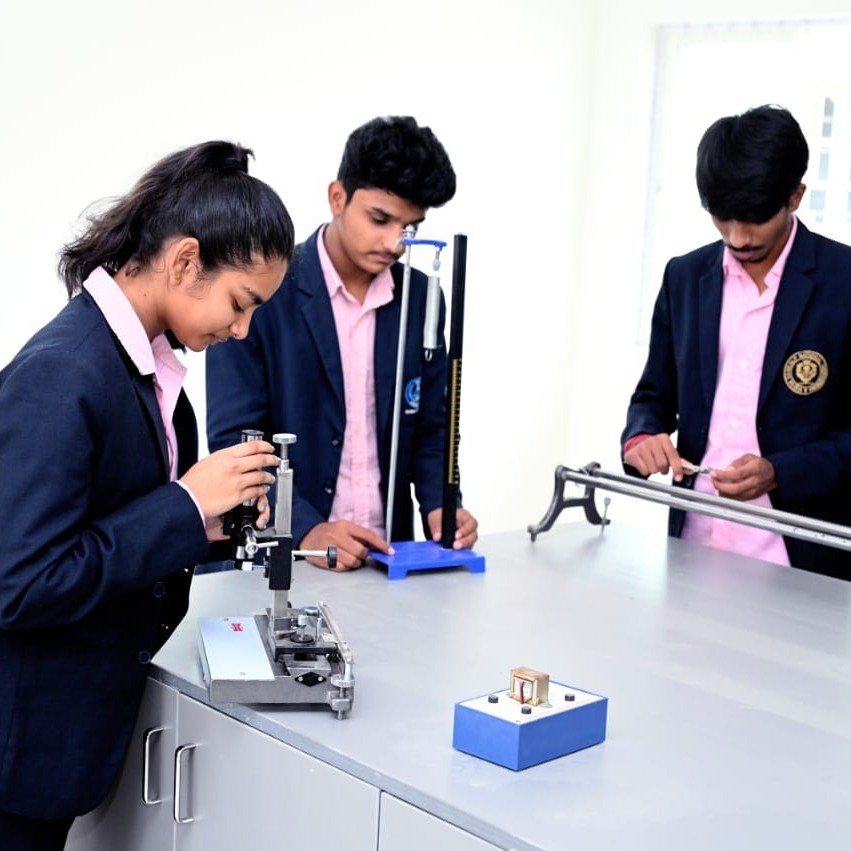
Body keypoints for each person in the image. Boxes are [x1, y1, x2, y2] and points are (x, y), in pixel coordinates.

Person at [0, 141, 294, 848]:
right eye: (241, 303)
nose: (242, 330)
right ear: (186, 261)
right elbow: (20, 581)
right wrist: (184, 505)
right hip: (20, 757)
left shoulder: (150, 372)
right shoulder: (65, 372)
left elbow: (108, 520)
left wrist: (206, 522)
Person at [206, 116, 478, 571]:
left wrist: (441, 507)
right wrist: (307, 529)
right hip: (286, 560)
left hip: (387, 560)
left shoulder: (422, 298)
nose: (395, 243)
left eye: (410, 227)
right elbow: (235, 439)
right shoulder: (264, 290)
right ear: (337, 198)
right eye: (380, 219)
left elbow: (432, 427)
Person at [622, 104, 851, 579]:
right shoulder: (685, 277)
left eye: (756, 218)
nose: (738, 237)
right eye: (722, 218)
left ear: (796, 196)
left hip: (803, 565)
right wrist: (641, 437)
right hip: (692, 550)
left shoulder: (843, 282)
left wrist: (780, 472)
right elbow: (653, 397)